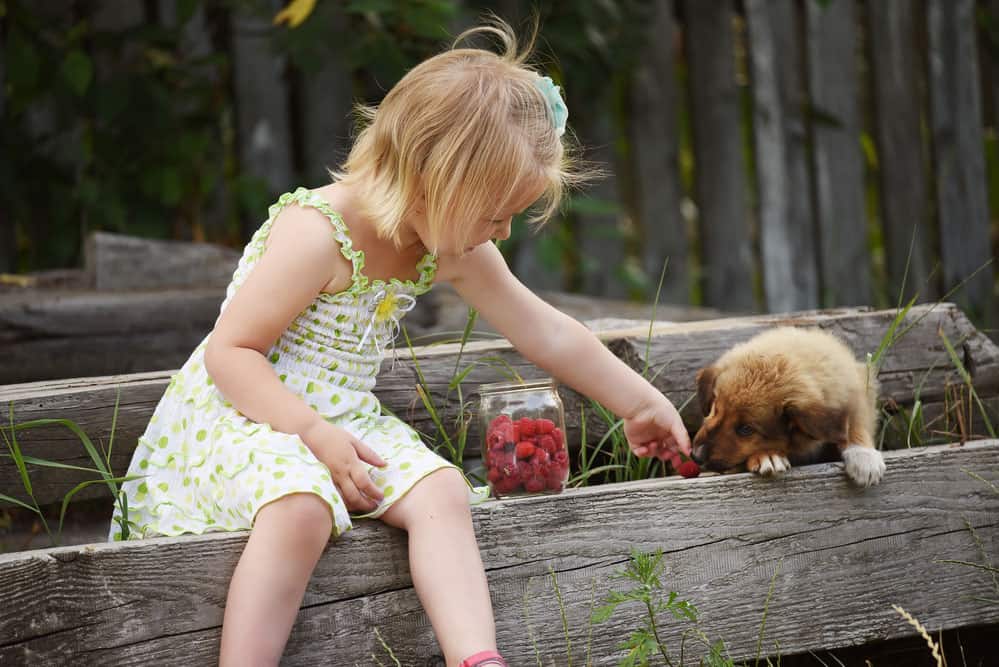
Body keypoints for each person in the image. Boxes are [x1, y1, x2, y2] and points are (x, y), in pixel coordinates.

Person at [110, 18, 692, 667]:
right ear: (432, 181)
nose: (500, 233)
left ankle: (475, 657)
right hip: (245, 410)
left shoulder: (449, 244)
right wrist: (311, 432)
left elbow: (547, 330)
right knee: (301, 506)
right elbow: (230, 353)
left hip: (341, 417)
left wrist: (638, 402)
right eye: (493, 212)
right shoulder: (317, 235)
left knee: (441, 491)